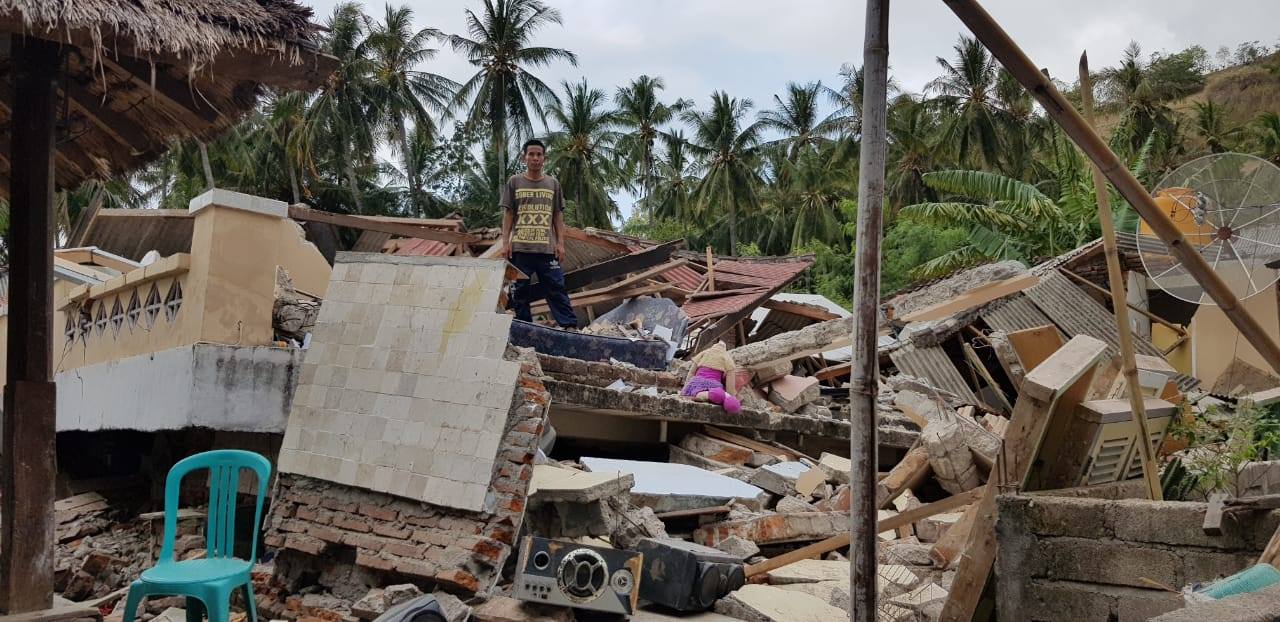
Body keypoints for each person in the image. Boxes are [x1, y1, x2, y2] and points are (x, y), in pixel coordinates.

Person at [500, 139, 577, 329]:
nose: (535, 158)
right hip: (520, 249)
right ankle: (525, 328)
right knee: (520, 291)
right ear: (524, 157)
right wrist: (505, 243)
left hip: (547, 250)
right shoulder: (514, 182)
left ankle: (569, 326)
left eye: (539, 155)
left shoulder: (553, 184)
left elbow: (557, 215)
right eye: (531, 154)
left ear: (544, 158)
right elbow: (508, 214)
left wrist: (560, 243)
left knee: (556, 287)